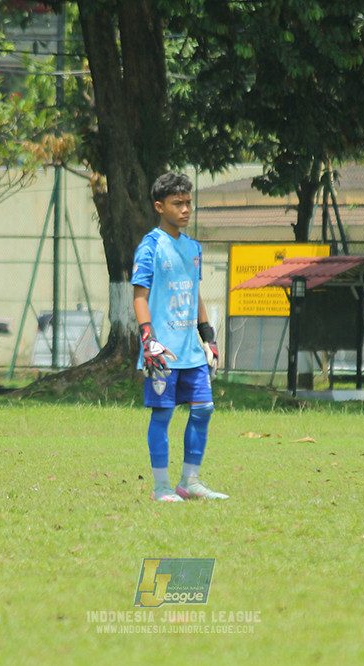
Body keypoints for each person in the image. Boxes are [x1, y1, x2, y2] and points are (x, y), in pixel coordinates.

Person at [132, 172, 228, 502]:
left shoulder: (193, 248)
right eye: (177, 204)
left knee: (203, 409)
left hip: (191, 351)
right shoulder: (149, 247)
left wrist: (208, 336)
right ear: (160, 207)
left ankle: (189, 483)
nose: (186, 209)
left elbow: (194, 293)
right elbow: (139, 297)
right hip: (163, 352)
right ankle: (161, 487)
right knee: (163, 414)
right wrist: (148, 340)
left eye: (188, 202)